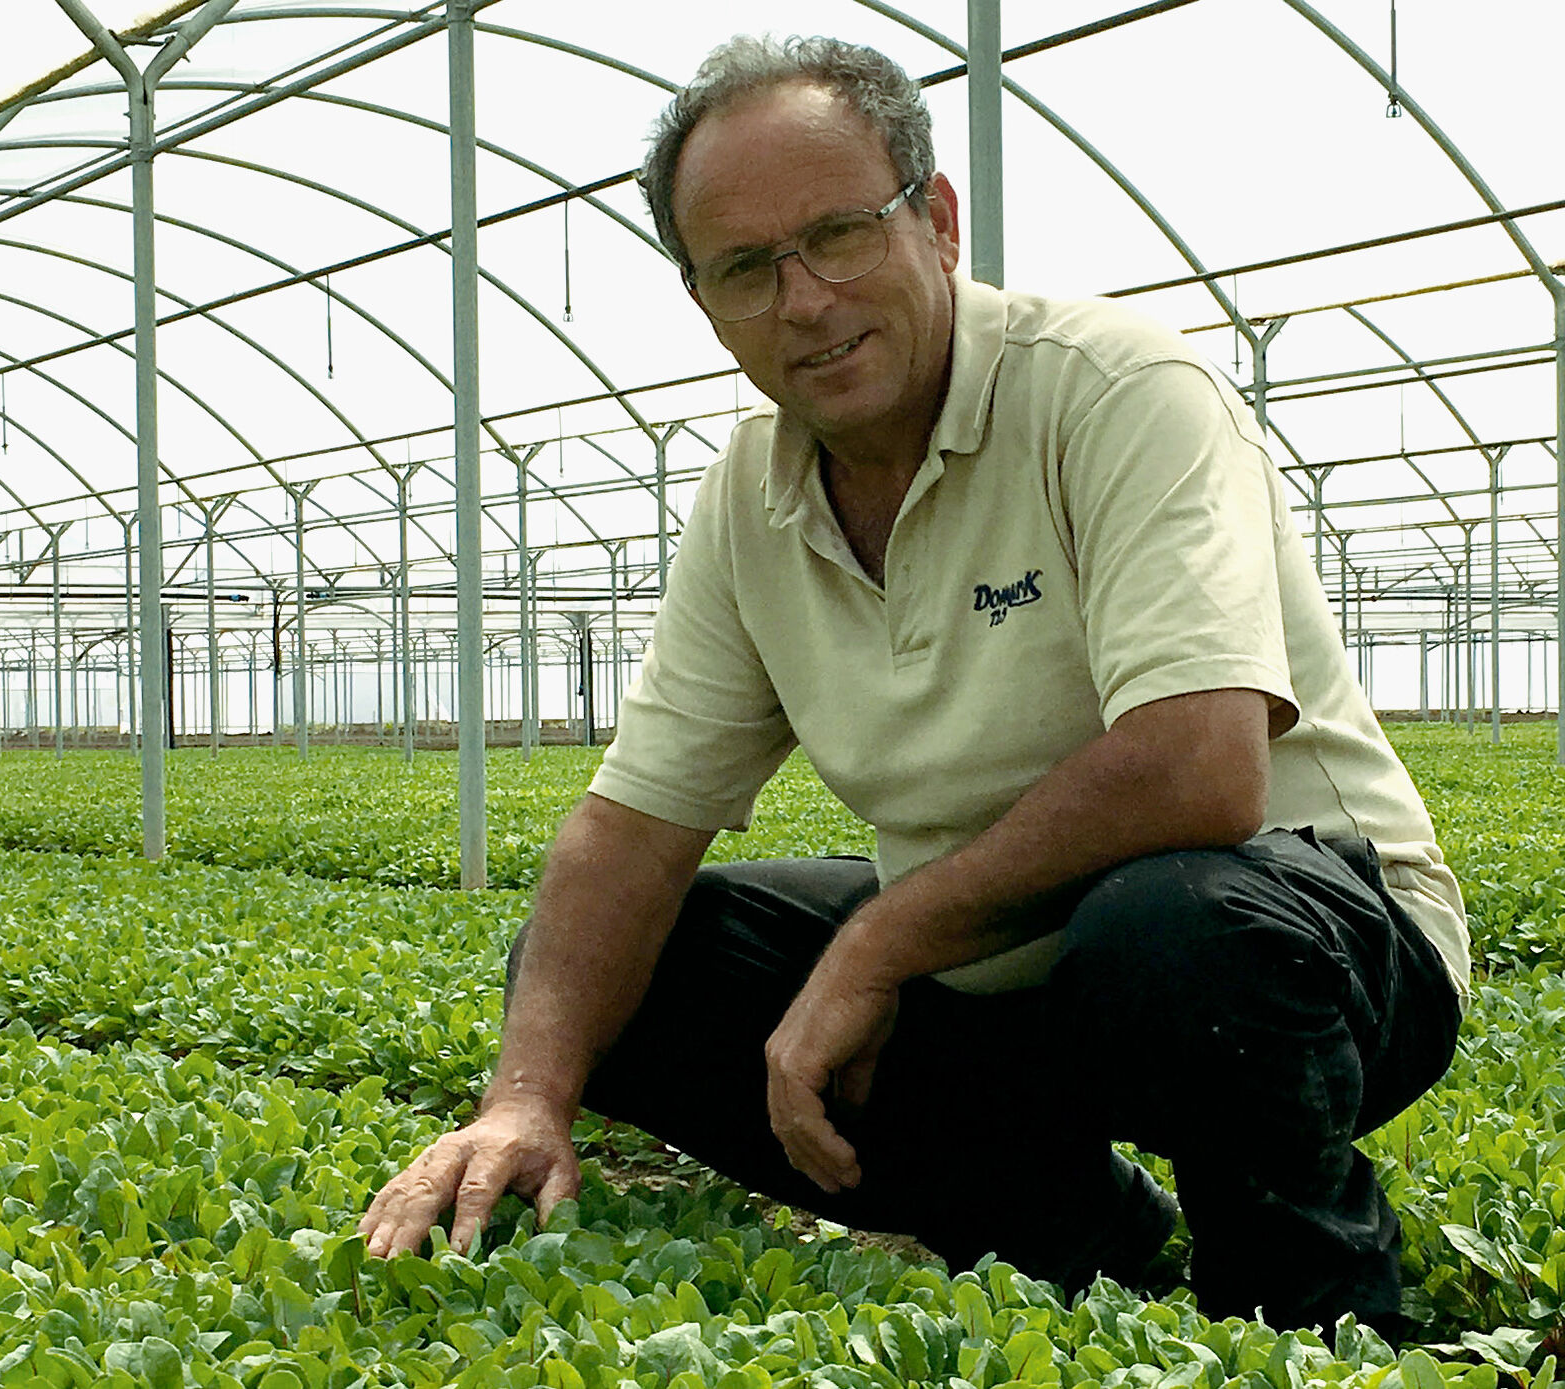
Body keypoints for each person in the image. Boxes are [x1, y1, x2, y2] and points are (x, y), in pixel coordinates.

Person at [359, 34, 1467, 1338]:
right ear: (704, 299)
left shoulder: (1115, 390)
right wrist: (528, 1094)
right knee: (644, 967)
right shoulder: (752, 498)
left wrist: (877, 942)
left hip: (1310, 937)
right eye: (747, 268)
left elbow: (1199, 766)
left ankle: (1312, 1310)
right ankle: (1072, 1228)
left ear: (935, 221)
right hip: (1013, 968)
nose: (807, 299)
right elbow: (631, 828)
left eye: (838, 234)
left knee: (1175, 933)